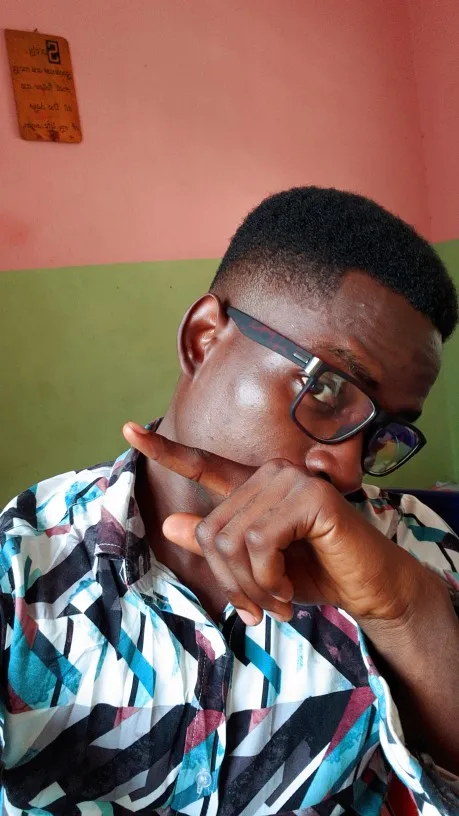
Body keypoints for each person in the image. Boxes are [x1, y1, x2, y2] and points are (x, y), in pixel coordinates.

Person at [0, 187, 458, 816]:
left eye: (385, 431)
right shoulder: (23, 567)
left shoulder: (410, 550)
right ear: (203, 339)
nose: (349, 468)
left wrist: (405, 615)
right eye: (327, 389)